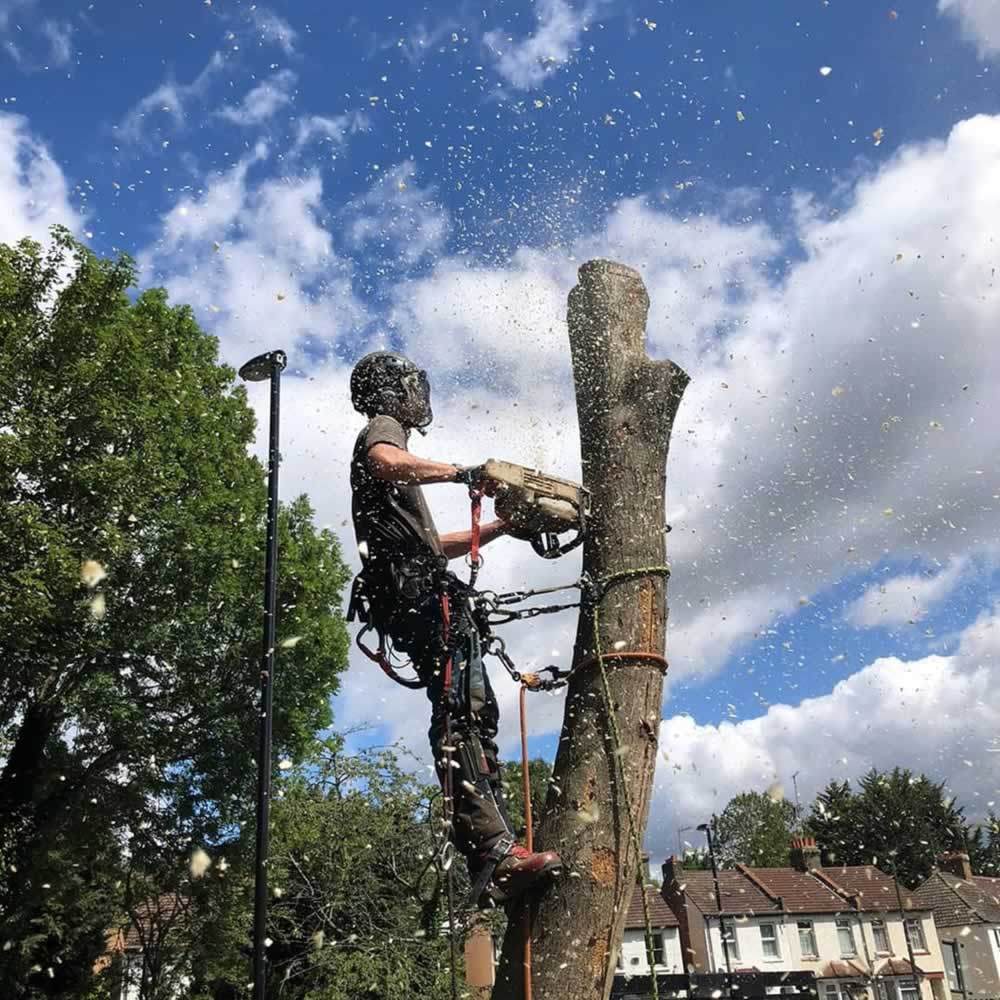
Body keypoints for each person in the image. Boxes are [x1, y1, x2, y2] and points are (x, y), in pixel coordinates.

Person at [348, 350, 562, 905]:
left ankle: (495, 844)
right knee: (460, 713)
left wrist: (500, 527)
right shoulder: (382, 430)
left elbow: (433, 547)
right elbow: (384, 460)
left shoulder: (395, 463)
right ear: (394, 391)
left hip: (419, 591)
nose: (419, 397)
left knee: (471, 713)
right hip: (418, 599)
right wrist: (463, 472)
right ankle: (490, 851)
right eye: (411, 387)